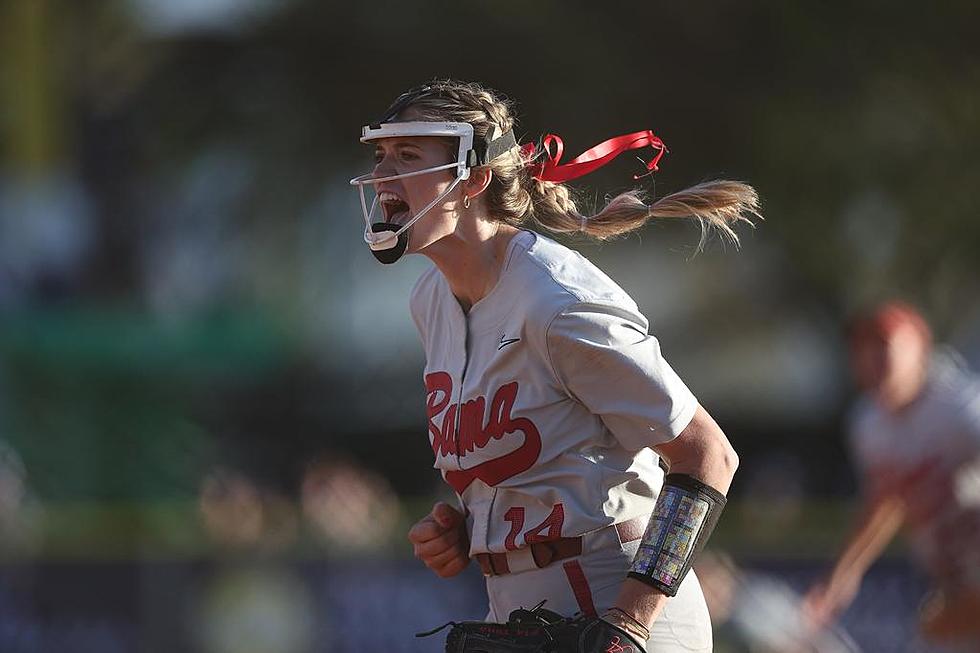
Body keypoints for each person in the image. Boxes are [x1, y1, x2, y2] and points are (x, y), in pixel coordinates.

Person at [349, 80, 759, 652]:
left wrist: (630, 625)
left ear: (474, 180)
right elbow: (552, 461)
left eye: (408, 157)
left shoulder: (554, 299)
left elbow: (708, 455)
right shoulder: (432, 301)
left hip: (619, 607)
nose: (384, 177)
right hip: (521, 613)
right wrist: (474, 528)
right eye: (381, 157)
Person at [803, 302, 980, 649]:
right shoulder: (868, 425)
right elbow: (885, 500)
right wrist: (841, 576)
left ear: (920, 350)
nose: (873, 358)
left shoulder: (957, 408)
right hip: (952, 578)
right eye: (862, 348)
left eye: (885, 345)